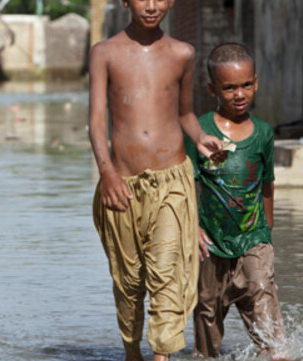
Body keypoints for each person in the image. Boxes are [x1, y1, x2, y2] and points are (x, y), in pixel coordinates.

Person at [88, 1, 225, 360]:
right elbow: (96, 122)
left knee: (168, 273)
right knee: (129, 281)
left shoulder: (182, 53)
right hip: (122, 184)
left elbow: (184, 112)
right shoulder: (104, 53)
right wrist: (107, 172)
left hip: (172, 181)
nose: (151, 6)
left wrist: (200, 138)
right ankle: (132, 352)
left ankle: (162, 355)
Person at [184, 43, 288, 359]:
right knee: (207, 317)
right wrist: (192, 230)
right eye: (229, 88)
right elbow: (187, 185)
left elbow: (267, 186)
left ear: (255, 82)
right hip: (210, 243)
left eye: (245, 85)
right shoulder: (200, 130)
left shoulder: (263, 134)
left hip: (253, 238)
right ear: (212, 88)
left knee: (266, 314)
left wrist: (266, 236)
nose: (239, 94)